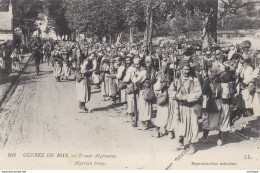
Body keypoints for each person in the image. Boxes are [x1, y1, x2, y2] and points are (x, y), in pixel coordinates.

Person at [168, 60, 202, 154]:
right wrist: (176, 95)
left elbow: (198, 93)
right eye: (184, 69)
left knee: (192, 126)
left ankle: (192, 145)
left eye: (187, 69)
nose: (186, 71)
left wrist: (186, 97)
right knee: (180, 125)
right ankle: (180, 143)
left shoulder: (194, 80)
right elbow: (170, 91)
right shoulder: (177, 80)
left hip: (191, 107)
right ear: (181, 69)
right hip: (180, 107)